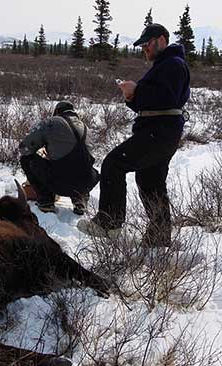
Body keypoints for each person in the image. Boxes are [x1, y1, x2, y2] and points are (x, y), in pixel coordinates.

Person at [77, 23, 190, 246]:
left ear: (162, 40)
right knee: (150, 181)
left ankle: (109, 224)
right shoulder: (164, 64)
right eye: (143, 46)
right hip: (162, 131)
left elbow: (165, 97)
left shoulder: (174, 64)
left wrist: (136, 89)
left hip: (159, 132)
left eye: (148, 44)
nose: (145, 49)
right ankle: (159, 238)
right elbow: (150, 102)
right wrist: (131, 97)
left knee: (114, 164)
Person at [19, 101, 100, 215]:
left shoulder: (51, 122)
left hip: (61, 183)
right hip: (87, 183)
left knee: (26, 159)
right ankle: (79, 198)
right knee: (80, 166)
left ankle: (46, 201)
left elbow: (25, 147)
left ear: (57, 112)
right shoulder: (86, 128)